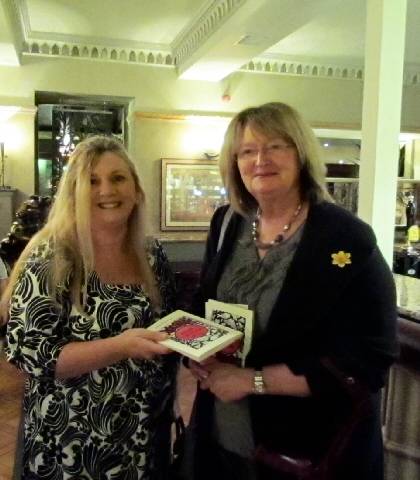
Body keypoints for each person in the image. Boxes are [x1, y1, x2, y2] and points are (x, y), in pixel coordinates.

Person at [185, 102, 398, 480]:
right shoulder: (227, 223)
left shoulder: (345, 237)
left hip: (302, 450)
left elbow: (369, 357)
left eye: (275, 146)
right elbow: (205, 301)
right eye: (247, 151)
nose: (260, 160)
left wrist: (252, 380)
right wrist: (197, 352)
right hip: (222, 435)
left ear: (300, 153)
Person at [5, 135, 178, 479]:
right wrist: (122, 345)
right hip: (70, 440)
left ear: (136, 188)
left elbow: (168, 323)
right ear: (74, 192)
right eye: (92, 181)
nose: (107, 191)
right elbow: (30, 354)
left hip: (140, 434)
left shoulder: (150, 253)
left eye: (118, 178)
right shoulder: (51, 258)